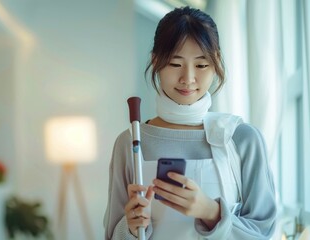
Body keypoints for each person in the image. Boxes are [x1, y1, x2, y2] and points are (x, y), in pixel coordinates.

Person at [103, 6, 276, 240]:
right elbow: (112, 234)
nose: (188, 78)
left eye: (202, 65)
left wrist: (211, 212)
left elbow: (263, 234)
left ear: (216, 65)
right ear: (156, 62)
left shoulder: (242, 138)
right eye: (175, 64)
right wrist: (131, 228)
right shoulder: (131, 141)